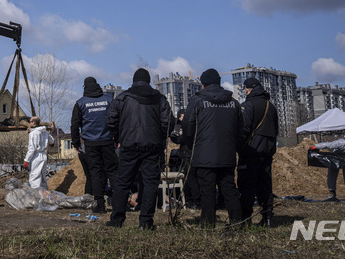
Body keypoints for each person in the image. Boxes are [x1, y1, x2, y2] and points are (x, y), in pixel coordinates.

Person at [104, 68, 171, 230]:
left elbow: (110, 120)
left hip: (129, 145)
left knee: (122, 182)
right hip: (152, 147)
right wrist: (160, 140)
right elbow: (167, 123)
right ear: (148, 81)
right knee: (150, 184)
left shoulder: (123, 98)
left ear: (133, 81)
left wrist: (119, 137)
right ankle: (146, 222)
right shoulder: (160, 98)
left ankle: (117, 220)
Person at [182, 68, 244, 228]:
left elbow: (187, 127)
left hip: (203, 156)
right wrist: (234, 148)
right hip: (227, 155)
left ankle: (208, 225)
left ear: (203, 85)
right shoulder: (234, 103)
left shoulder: (197, 101)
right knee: (230, 190)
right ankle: (238, 223)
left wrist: (191, 146)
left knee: (207, 192)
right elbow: (240, 130)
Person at [71, 77, 118, 214]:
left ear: (85, 87)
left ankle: (100, 206)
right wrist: (118, 137)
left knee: (96, 173)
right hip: (108, 141)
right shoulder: (109, 100)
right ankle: (118, 203)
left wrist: (75, 142)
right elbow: (117, 119)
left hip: (91, 144)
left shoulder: (80, 103)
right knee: (113, 172)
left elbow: (75, 124)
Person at [237, 77, 279, 227]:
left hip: (251, 151)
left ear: (250, 89)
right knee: (265, 184)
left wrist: (238, 146)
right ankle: (267, 218)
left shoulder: (248, 105)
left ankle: (245, 218)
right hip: (267, 151)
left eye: (246, 89)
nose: (245, 91)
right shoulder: (271, 106)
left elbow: (244, 129)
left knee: (246, 185)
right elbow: (276, 130)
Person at [23, 116, 55, 189]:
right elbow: (52, 142)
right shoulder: (45, 132)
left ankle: (36, 197)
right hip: (43, 156)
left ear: (34, 122)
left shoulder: (34, 133)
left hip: (36, 157)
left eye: (30, 122)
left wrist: (26, 160)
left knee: (35, 178)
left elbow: (32, 148)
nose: (29, 123)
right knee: (43, 177)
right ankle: (44, 195)